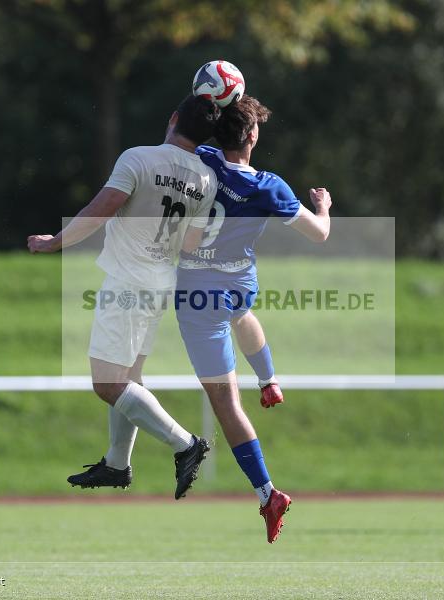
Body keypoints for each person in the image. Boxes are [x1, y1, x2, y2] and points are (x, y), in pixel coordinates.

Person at [27, 94, 220, 500]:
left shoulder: (139, 158)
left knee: (108, 383)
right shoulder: (207, 178)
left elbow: (101, 209)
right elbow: (192, 243)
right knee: (129, 378)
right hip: (159, 284)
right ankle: (117, 462)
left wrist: (55, 243)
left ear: (172, 119)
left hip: (128, 282)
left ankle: (186, 444)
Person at [175, 95, 332, 542]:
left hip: (199, 294)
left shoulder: (200, 159)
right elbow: (320, 234)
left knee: (226, 405)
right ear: (252, 136)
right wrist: (323, 205)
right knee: (242, 313)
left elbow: (176, 139)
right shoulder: (270, 187)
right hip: (238, 284)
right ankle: (269, 380)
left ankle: (268, 494)